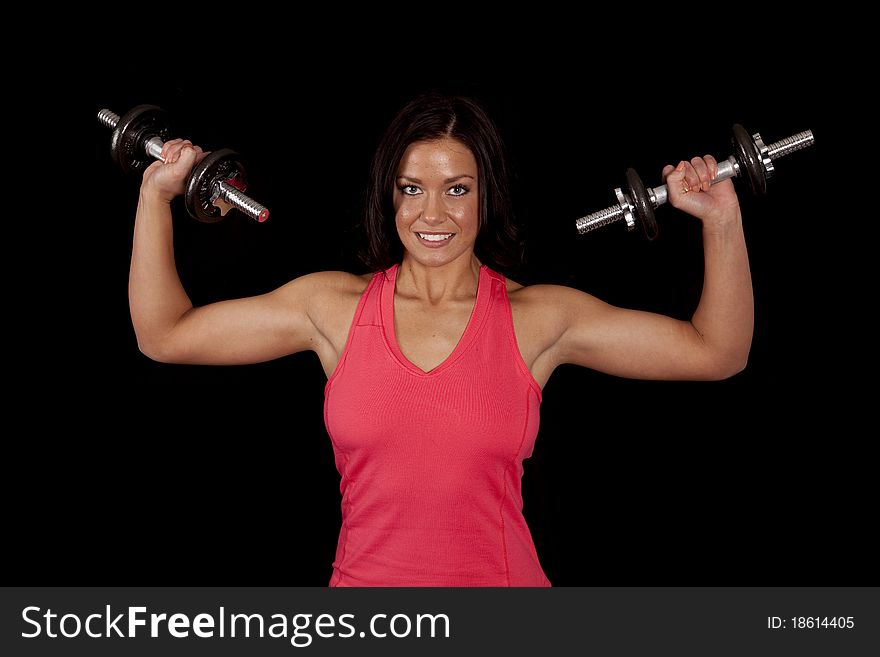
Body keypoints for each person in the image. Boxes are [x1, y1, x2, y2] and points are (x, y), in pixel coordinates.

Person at [129, 93, 753, 587]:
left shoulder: (538, 316)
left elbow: (716, 352)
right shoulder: (330, 307)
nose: (432, 214)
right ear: (389, 195)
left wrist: (722, 221)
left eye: (457, 189)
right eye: (412, 188)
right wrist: (156, 196)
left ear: (486, 198)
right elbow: (166, 335)